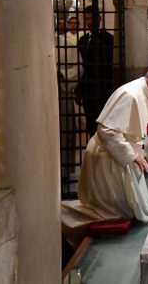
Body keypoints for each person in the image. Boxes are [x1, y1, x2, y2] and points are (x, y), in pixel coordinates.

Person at [61, 64, 148, 242]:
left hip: (122, 157)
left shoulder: (147, 95)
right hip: (108, 158)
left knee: (126, 210)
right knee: (109, 212)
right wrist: (133, 156)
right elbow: (107, 131)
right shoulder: (130, 94)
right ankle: (60, 216)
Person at [77, 5, 114, 136]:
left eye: (92, 18)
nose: (89, 22)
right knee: (91, 125)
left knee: (104, 125)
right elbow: (82, 67)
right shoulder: (83, 40)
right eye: (86, 19)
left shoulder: (109, 39)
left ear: (99, 19)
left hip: (104, 88)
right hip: (88, 90)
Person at [56, 15, 82, 179]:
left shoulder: (69, 44)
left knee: (65, 129)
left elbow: (78, 68)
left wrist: (62, 73)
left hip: (62, 90)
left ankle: (64, 169)